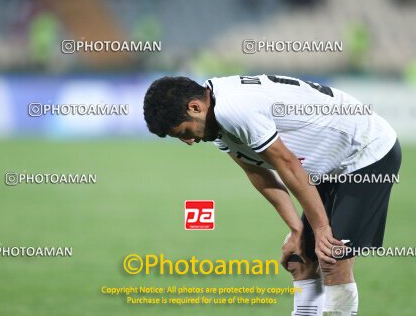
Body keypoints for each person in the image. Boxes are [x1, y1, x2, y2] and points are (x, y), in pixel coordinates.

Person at [143, 74, 401, 315]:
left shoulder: (233, 109)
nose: (188, 141)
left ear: (194, 107)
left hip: (365, 151)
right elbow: (258, 173)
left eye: (183, 132)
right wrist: (297, 229)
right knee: (300, 260)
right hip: (328, 165)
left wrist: (321, 228)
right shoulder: (215, 120)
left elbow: (287, 164)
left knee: (333, 257)